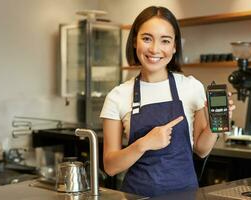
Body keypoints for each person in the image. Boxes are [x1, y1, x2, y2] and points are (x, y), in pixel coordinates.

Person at [99, 6, 235, 197]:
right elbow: (110, 166)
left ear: (174, 46)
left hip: (185, 195)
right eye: (147, 39)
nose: (155, 49)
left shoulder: (191, 87)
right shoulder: (118, 96)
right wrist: (144, 143)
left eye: (165, 41)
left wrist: (217, 124)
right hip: (138, 196)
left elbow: (201, 149)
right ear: (134, 42)